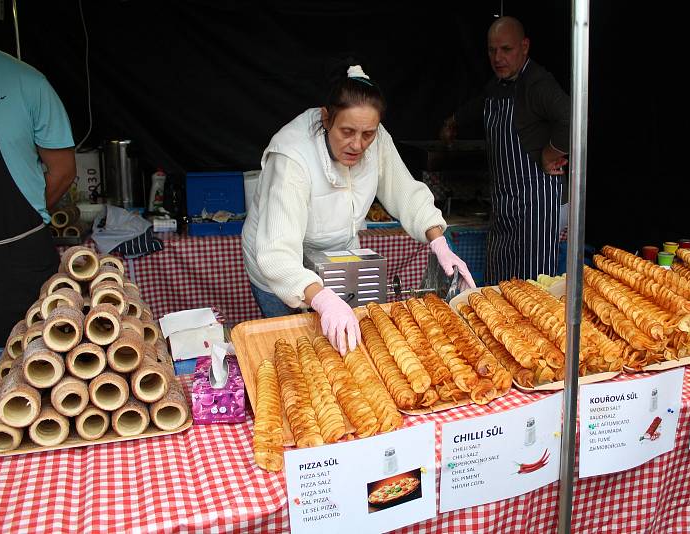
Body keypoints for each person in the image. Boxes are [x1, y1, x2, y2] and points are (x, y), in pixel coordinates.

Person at [242, 64, 474, 355]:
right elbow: (276, 254)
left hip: (337, 258)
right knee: (295, 355)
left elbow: (405, 191)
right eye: (347, 132)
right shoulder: (292, 157)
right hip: (281, 270)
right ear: (326, 119)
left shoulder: (374, 140)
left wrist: (439, 241)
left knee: (349, 354)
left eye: (367, 134)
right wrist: (323, 300)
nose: (357, 144)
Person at [441, 16, 570, 284]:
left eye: (506, 49)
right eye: (492, 50)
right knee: (497, 282)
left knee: (533, 284)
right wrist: (454, 121)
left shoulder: (538, 83)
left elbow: (575, 119)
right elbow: (480, 104)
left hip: (537, 203)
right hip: (504, 201)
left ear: (525, 46)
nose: (497, 57)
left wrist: (552, 150)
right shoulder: (498, 84)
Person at [0, 41, 76, 347]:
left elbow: (62, 171)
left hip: (16, 265)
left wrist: (20, 226)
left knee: (25, 367)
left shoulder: (26, 82)